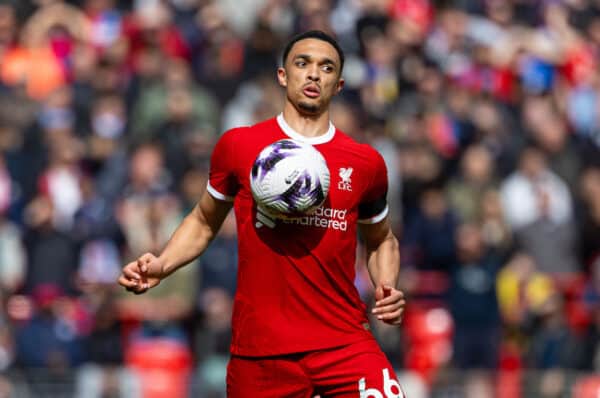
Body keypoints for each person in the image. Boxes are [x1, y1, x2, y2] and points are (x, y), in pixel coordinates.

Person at [118, 30, 406, 397]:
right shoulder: (240, 146)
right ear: (283, 76)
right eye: (303, 63)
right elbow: (205, 220)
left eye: (326, 67)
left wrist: (386, 288)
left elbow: (381, 239)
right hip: (261, 352)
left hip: (343, 342)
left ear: (339, 85)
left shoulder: (365, 163)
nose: (314, 74)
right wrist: (162, 264)